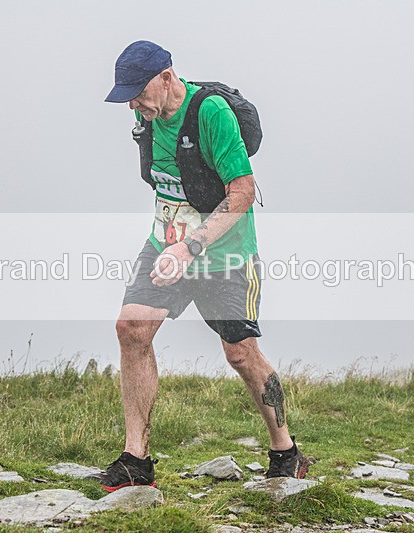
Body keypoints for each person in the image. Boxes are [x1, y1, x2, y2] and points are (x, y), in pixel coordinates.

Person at [98, 40, 312, 492]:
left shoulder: (211, 113)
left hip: (225, 253)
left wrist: (190, 248)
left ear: (167, 78)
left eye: (138, 92)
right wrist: (172, 246)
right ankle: (136, 459)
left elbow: (243, 191)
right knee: (131, 329)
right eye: (128, 96)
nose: (133, 104)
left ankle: (285, 451)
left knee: (240, 353)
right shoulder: (146, 114)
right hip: (167, 244)